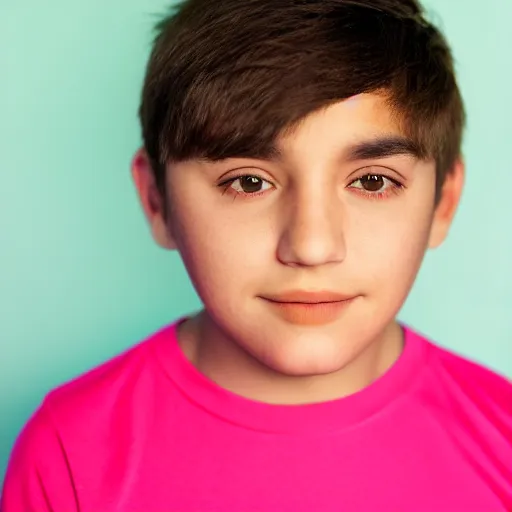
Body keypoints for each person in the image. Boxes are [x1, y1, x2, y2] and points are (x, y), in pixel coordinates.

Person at [2, 0, 511, 510]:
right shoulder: (68, 454)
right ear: (157, 199)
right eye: (249, 182)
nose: (311, 247)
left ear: (443, 201)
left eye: (372, 181)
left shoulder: (502, 440)